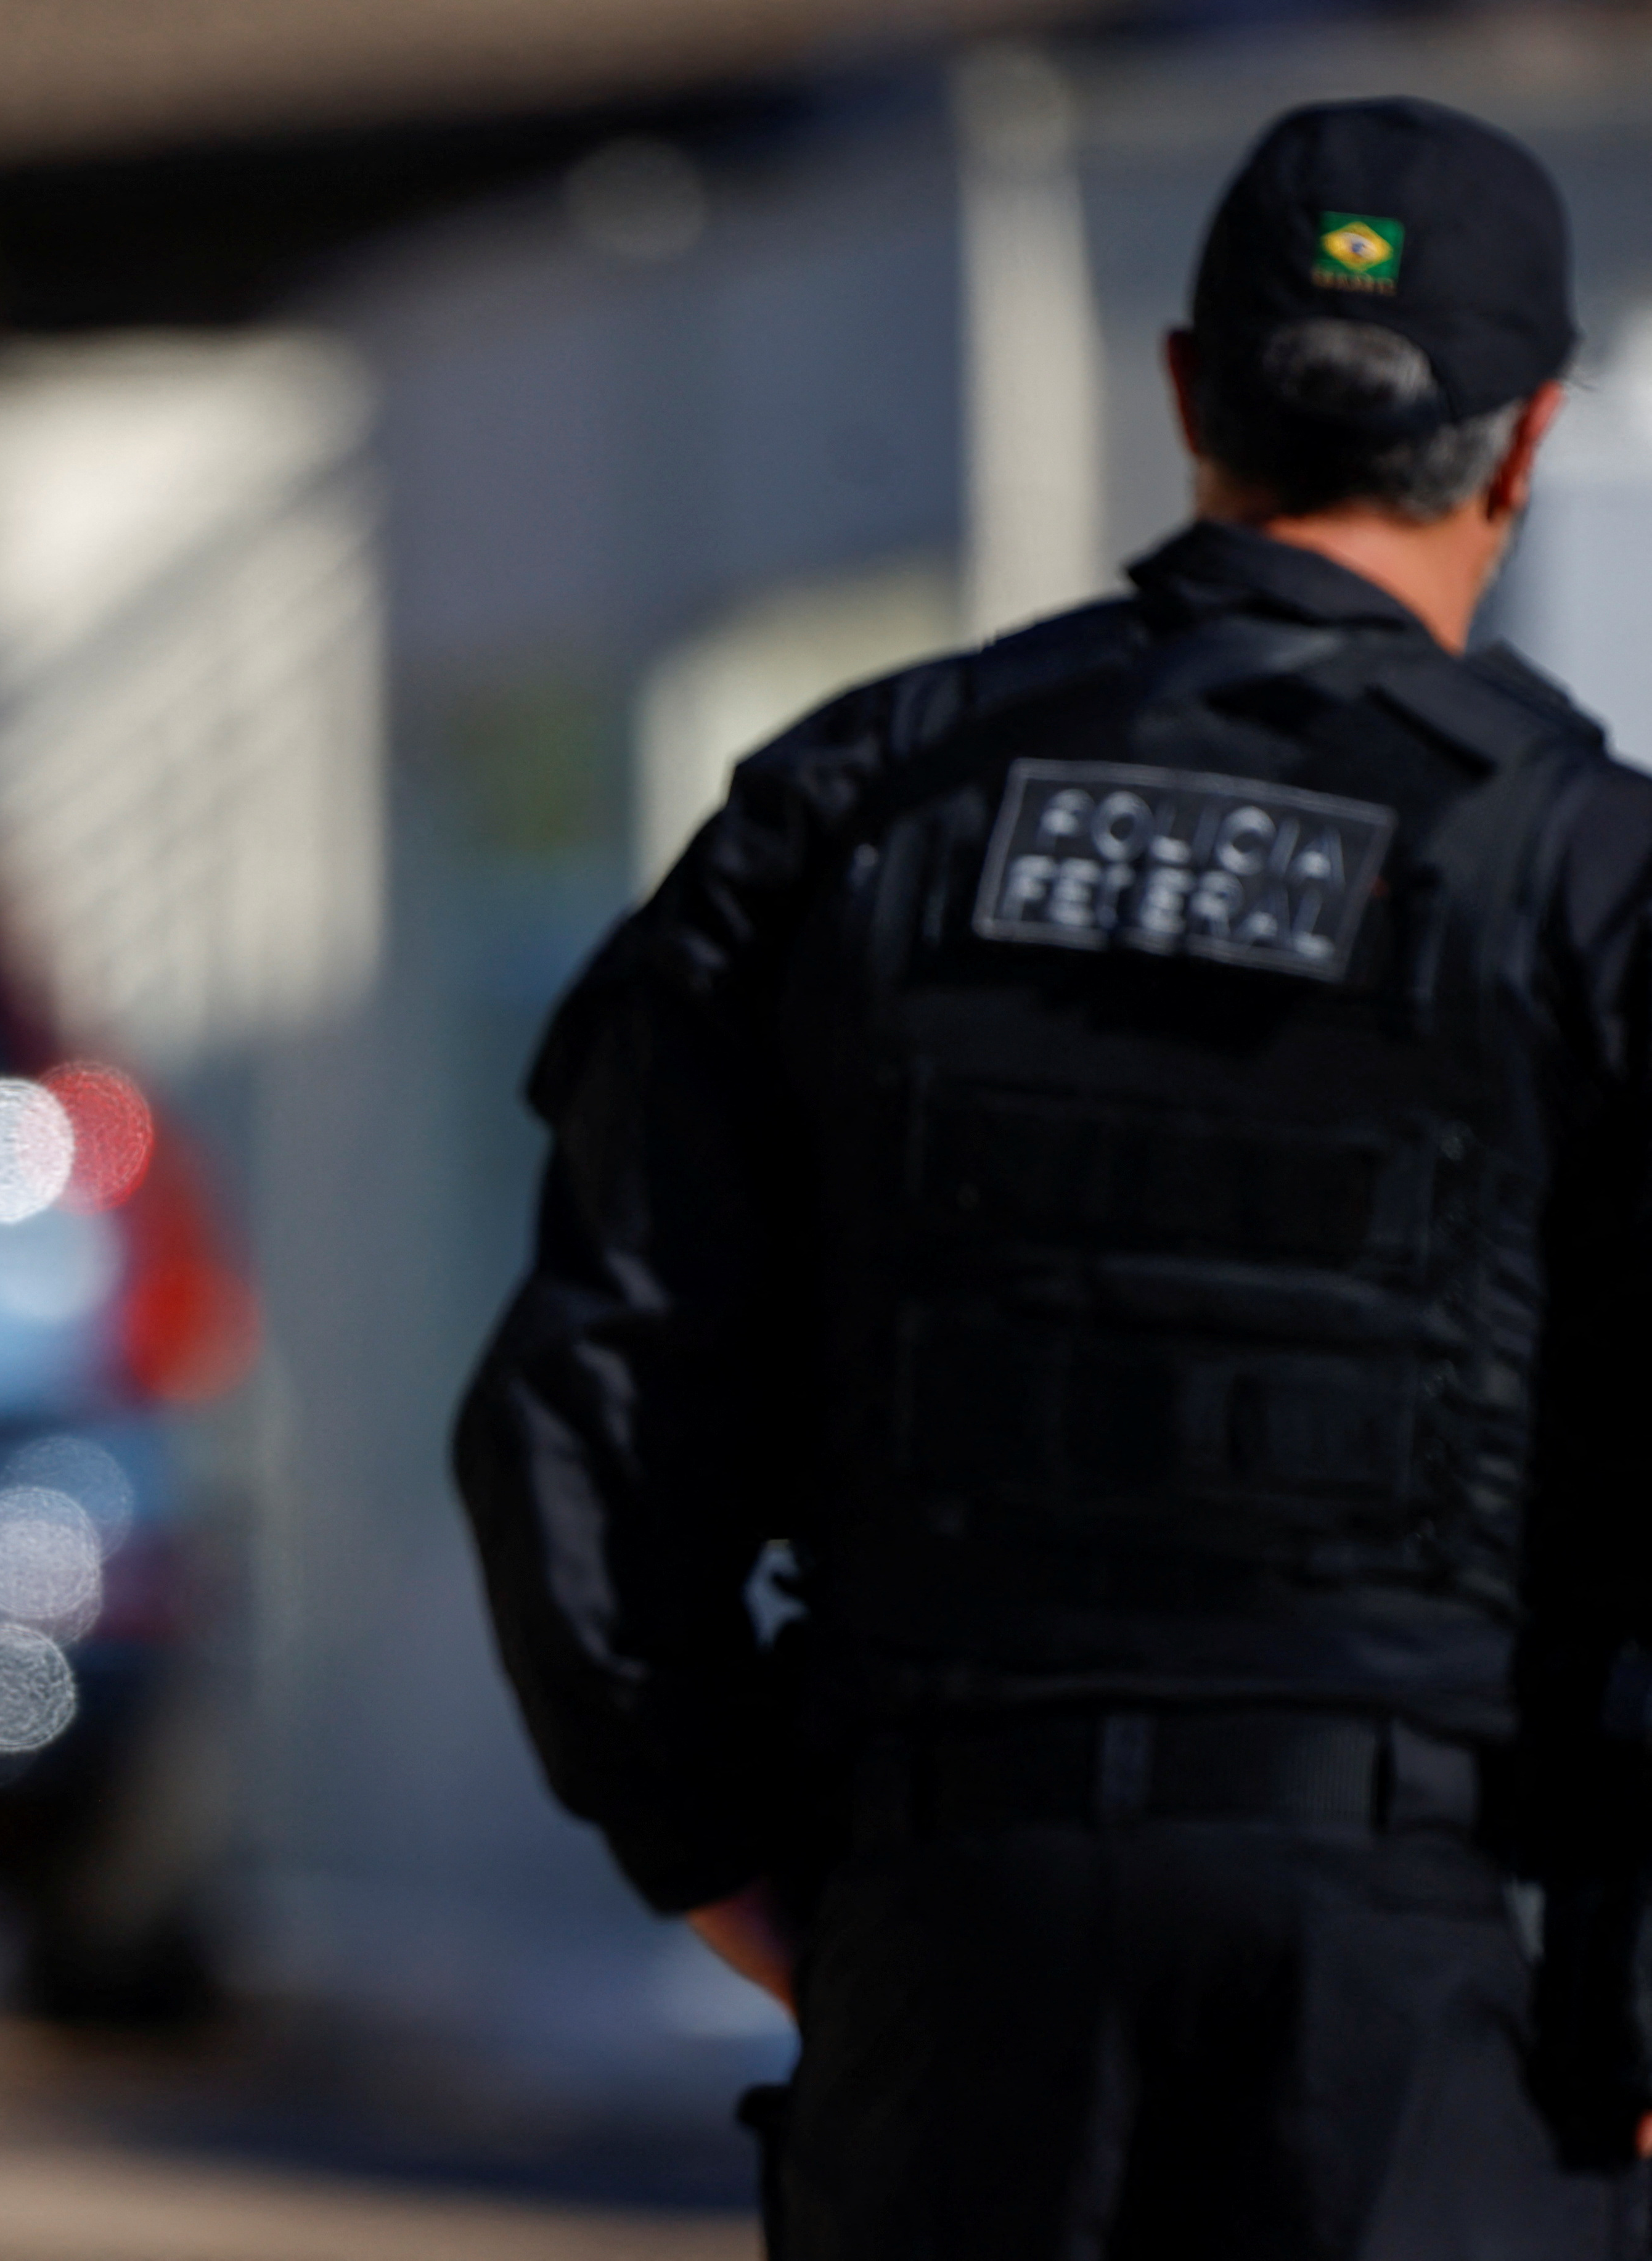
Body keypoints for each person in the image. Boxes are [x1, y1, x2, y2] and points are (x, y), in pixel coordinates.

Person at [455, 97, 1652, 2256]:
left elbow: (575, 1420)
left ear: (1186, 390)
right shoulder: (1586, 882)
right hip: (1424, 2002)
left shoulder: (846, 810)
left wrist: (728, 1857)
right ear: (1527, 438)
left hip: (946, 1946)